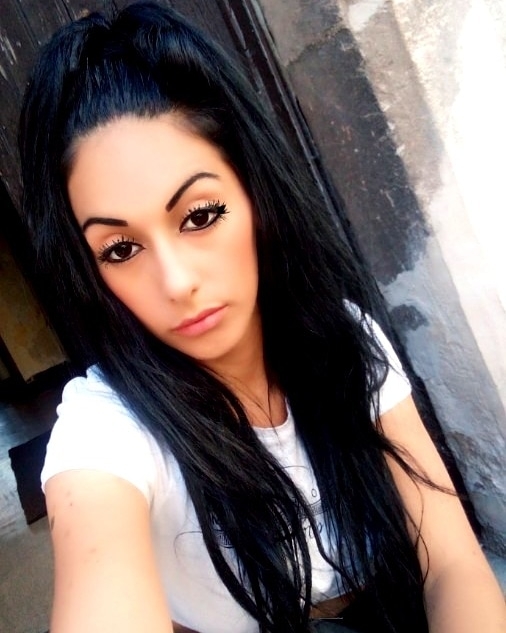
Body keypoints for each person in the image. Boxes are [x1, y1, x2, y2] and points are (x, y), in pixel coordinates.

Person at [18, 2, 505, 633]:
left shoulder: (342, 337)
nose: (177, 282)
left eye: (200, 216)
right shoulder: (106, 427)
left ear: (253, 192)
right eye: (120, 249)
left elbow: (453, 564)